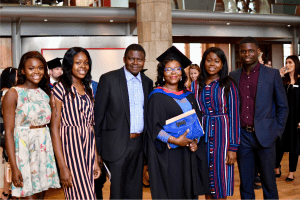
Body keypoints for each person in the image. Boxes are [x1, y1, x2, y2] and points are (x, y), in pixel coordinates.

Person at [146, 46, 210, 199]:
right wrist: (175, 140)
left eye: (177, 69)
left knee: (188, 190)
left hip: (188, 153)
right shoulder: (156, 97)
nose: (173, 73)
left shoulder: (189, 95)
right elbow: (153, 128)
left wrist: (195, 141)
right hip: (169, 154)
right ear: (162, 73)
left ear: (182, 72)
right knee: (172, 191)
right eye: (168, 69)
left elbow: (197, 122)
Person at [229, 36, 288, 199]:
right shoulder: (233, 75)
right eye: (243, 51)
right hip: (243, 136)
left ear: (258, 52)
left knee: (269, 183)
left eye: (251, 51)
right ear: (239, 53)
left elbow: (283, 106)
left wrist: (277, 132)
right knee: (246, 184)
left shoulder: (272, 74)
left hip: (266, 136)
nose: (247, 54)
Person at [94, 44, 153, 199]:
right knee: (118, 191)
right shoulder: (109, 79)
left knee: (135, 190)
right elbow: (98, 117)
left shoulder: (147, 83)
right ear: (124, 59)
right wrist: (98, 151)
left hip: (139, 145)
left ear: (144, 61)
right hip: (116, 144)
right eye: (131, 59)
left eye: (139, 60)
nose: (135, 62)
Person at [2, 51, 60, 199]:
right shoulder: (13, 94)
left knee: (41, 197)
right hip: (23, 152)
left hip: (43, 151)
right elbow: (8, 132)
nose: (36, 72)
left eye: (40, 68)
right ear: (22, 70)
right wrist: (14, 166)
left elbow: (52, 127)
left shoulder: (45, 93)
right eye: (31, 68)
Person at [50, 47, 101, 199]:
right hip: (71, 150)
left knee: (90, 195)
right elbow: (54, 129)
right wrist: (62, 167)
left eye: (86, 63)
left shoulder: (87, 90)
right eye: (78, 62)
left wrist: (96, 159)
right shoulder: (60, 89)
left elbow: (90, 126)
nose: (83, 66)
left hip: (89, 149)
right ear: (69, 65)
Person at [191, 47, 240, 199]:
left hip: (223, 137)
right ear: (203, 62)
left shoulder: (228, 84)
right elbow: (192, 114)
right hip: (202, 137)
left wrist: (233, 147)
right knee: (205, 179)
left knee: (220, 181)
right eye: (209, 60)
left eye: (216, 61)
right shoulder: (195, 85)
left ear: (222, 64)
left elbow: (234, 116)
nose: (212, 64)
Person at [275, 55, 300, 182]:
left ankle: (291, 172)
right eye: (286, 62)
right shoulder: (283, 81)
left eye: (290, 62)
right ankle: (276, 167)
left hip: (296, 120)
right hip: (282, 119)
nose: (287, 65)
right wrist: (279, 76)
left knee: (294, 147)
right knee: (279, 144)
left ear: (296, 64)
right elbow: (275, 96)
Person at [0, 67, 17, 200]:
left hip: (4, 132)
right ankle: (6, 193)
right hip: (7, 133)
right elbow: (7, 115)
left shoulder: (2, 92)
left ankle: (7, 192)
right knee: (10, 163)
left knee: (9, 163)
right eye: (17, 75)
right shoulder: (7, 93)